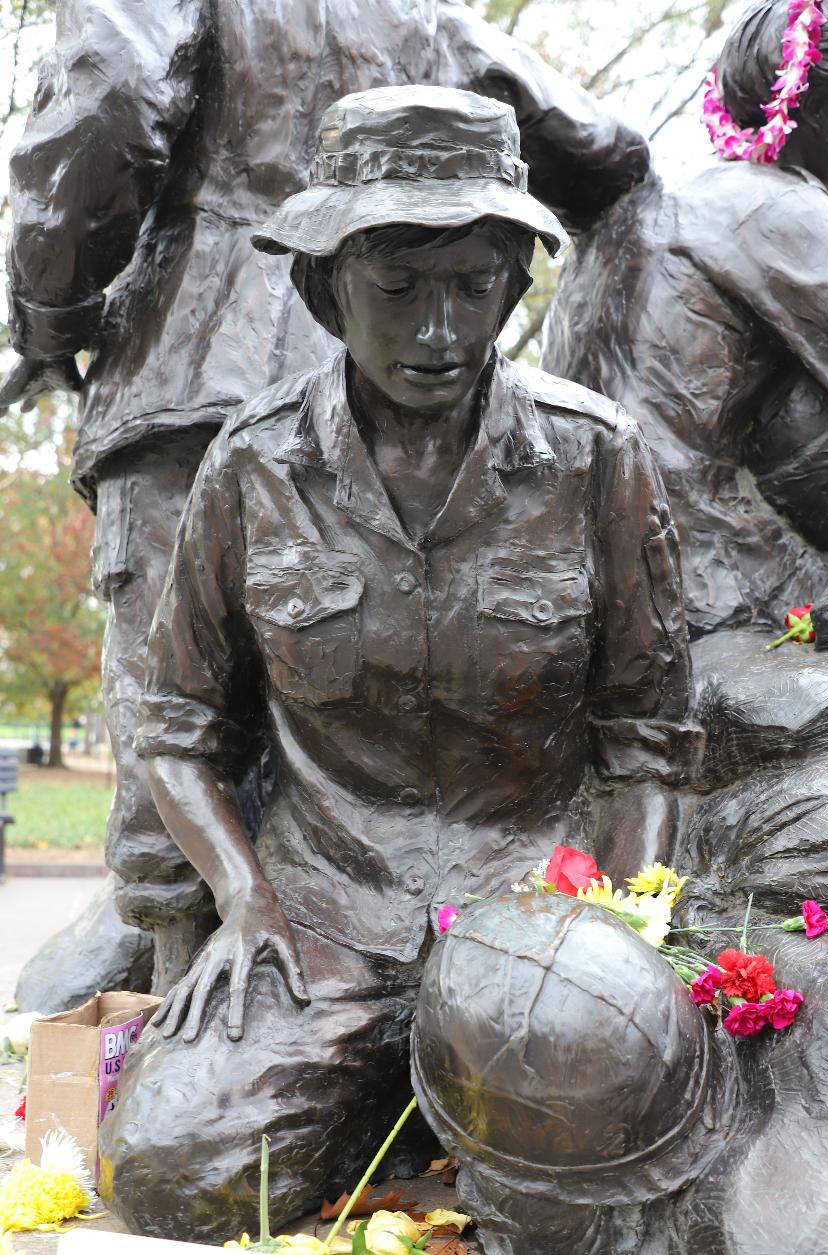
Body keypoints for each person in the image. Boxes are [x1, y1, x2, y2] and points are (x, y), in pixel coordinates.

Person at [98, 85, 700, 1245]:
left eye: (476, 288)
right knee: (168, 1172)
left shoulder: (592, 458)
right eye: (399, 290)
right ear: (327, 289)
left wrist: (621, 929)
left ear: (515, 286)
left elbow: (648, 730)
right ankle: (393, 1087)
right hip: (319, 914)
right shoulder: (253, 467)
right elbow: (173, 721)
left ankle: (455, 1096)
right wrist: (241, 897)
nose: (441, 332)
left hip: (535, 908)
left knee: (585, 1185)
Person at [0, 0, 651, 992]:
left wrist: (50, 318)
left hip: (191, 359)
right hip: (312, 392)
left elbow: (106, 96)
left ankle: (178, 1024)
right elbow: (609, 153)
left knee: (175, 733)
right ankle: (210, 1021)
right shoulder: (429, 18)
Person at [544, 0, 828, 639]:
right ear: (809, 106)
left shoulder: (663, 210)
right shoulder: (774, 208)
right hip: (709, 577)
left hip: (597, 562)